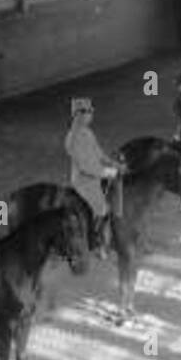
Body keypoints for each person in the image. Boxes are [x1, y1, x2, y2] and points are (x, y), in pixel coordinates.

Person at [65, 97, 122, 257]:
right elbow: (86, 166)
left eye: (91, 112)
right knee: (102, 209)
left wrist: (114, 164)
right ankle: (96, 243)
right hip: (83, 181)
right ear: (77, 115)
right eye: (88, 112)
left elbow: (99, 153)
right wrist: (108, 172)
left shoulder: (87, 132)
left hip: (95, 175)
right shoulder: (73, 138)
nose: (91, 115)